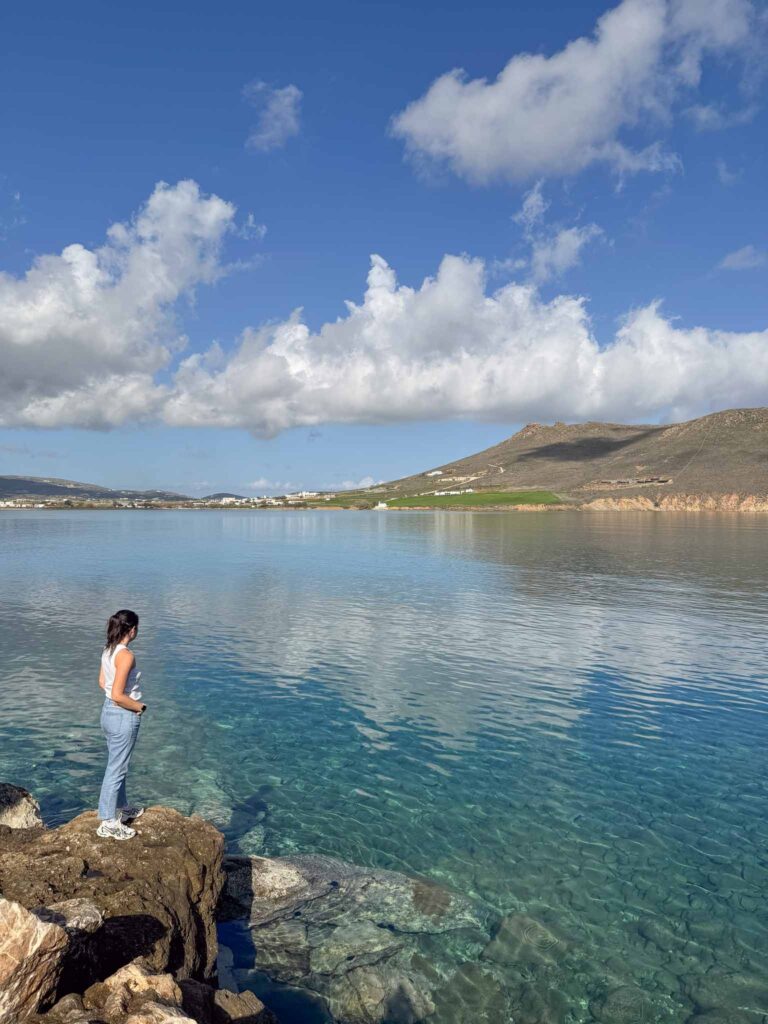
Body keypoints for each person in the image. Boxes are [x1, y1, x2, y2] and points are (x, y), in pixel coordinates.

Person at [96, 609, 147, 840]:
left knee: (118, 764)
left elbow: (102, 682)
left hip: (108, 713)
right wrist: (139, 707)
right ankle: (108, 821)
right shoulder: (126, 655)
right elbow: (118, 695)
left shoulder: (108, 650)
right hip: (122, 714)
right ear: (133, 630)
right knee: (116, 769)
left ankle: (122, 807)